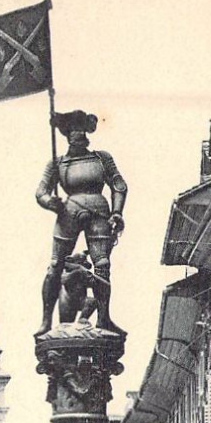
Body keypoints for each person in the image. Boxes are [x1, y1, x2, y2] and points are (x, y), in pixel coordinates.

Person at [35, 109, 127, 335]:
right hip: (68, 211)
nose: (77, 134)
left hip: (98, 210)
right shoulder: (57, 163)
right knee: (56, 264)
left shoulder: (101, 158)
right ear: (67, 134)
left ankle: (103, 318)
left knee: (102, 265)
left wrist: (117, 212)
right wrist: (50, 202)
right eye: (72, 130)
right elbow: (40, 191)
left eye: (80, 129)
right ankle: (46, 320)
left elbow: (118, 185)